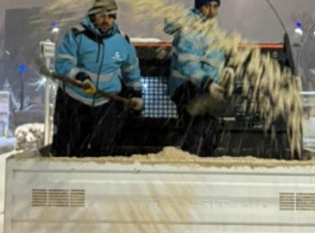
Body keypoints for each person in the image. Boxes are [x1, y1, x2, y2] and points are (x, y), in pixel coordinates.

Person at [52, 0, 143, 157]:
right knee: (68, 150)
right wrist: (81, 78)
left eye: (110, 16)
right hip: (75, 102)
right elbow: (63, 63)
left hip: (106, 105)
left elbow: (131, 69)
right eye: (101, 15)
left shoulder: (122, 41)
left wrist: (136, 93)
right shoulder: (76, 35)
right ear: (93, 15)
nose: (106, 20)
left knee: (104, 151)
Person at [165, 0, 233, 157]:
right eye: (207, 6)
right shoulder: (190, 31)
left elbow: (213, 61)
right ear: (198, 7)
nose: (211, 12)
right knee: (195, 135)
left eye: (215, 6)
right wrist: (208, 83)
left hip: (208, 90)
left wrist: (223, 74)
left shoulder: (212, 32)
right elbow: (187, 64)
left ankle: (203, 167)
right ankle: (190, 170)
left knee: (211, 135)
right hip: (188, 89)